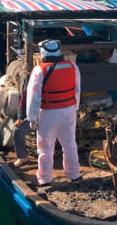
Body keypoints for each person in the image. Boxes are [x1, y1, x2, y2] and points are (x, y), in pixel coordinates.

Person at [26, 39, 81, 186]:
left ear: (43, 52)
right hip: (69, 110)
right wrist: (75, 108)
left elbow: (34, 96)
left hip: (49, 113)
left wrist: (31, 117)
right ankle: (74, 174)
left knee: (45, 148)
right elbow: (77, 89)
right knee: (69, 144)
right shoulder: (72, 66)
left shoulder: (40, 70)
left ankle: (44, 179)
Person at [12, 84, 33, 167]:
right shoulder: (29, 87)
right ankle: (22, 157)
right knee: (17, 130)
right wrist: (19, 118)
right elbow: (22, 104)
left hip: (50, 116)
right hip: (34, 118)